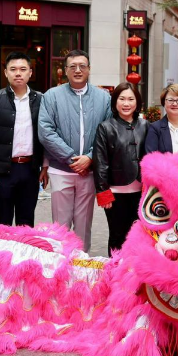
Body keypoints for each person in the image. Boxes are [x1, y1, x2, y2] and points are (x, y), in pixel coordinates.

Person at [39, 49, 111, 253]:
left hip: (89, 171)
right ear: (65, 71)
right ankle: (60, 265)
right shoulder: (52, 95)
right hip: (61, 169)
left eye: (82, 66)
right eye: (73, 66)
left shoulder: (103, 97)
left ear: (89, 69)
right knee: (60, 225)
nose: (78, 70)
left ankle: (81, 266)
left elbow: (107, 132)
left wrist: (89, 157)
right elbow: (45, 131)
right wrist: (71, 158)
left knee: (84, 224)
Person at [0, 51, 47, 228]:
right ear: (6, 72)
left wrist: (45, 165)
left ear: (30, 72)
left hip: (30, 170)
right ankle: (3, 256)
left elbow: (45, 136)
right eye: (13, 69)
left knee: (26, 222)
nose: (18, 73)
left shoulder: (41, 100)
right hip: (2, 172)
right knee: (3, 222)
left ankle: (24, 255)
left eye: (23, 69)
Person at [93, 83, 148, 254]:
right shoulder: (106, 127)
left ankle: (135, 274)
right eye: (121, 99)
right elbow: (100, 162)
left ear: (137, 102)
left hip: (141, 191)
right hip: (115, 192)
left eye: (131, 99)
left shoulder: (145, 125)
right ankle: (115, 273)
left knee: (139, 235)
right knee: (117, 235)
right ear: (115, 102)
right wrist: (103, 191)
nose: (126, 103)